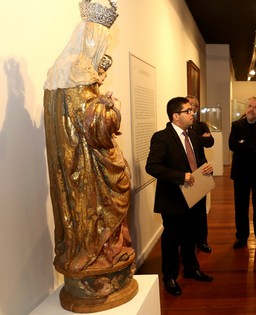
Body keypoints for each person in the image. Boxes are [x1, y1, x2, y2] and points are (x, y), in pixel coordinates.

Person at [43, 0, 136, 307]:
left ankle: (101, 254)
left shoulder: (61, 73)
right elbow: (95, 128)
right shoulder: (78, 72)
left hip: (72, 162)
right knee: (107, 201)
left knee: (92, 209)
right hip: (87, 165)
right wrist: (110, 110)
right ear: (94, 37)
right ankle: (99, 255)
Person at [146, 97, 214, 296]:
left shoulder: (192, 136)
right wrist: (180, 176)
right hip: (173, 198)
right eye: (188, 110)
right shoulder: (161, 137)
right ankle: (170, 277)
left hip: (195, 194)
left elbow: (198, 159)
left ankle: (191, 269)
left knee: (191, 235)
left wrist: (205, 167)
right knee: (171, 238)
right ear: (176, 116)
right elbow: (152, 166)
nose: (193, 113)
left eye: (192, 110)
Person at [229, 97, 256, 249]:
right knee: (241, 207)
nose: (251, 110)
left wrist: (245, 144)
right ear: (246, 107)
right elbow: (232, 145)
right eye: (250, 106)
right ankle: (241, 237)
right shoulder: (236, 125)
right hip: (241, 173)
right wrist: (254, 147)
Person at [186, 95, 214, 253]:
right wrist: (199, 138)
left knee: (200, 210)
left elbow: (210, 142)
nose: (191, 108)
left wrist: (197, 138)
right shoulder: (178, 126)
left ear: (196, 109)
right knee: (186, 210)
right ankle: (187, 241)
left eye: (194, 106)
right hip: (185, 172)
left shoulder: (201, 125)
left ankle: (201, 240)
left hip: (200, 170)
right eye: (188, 105)